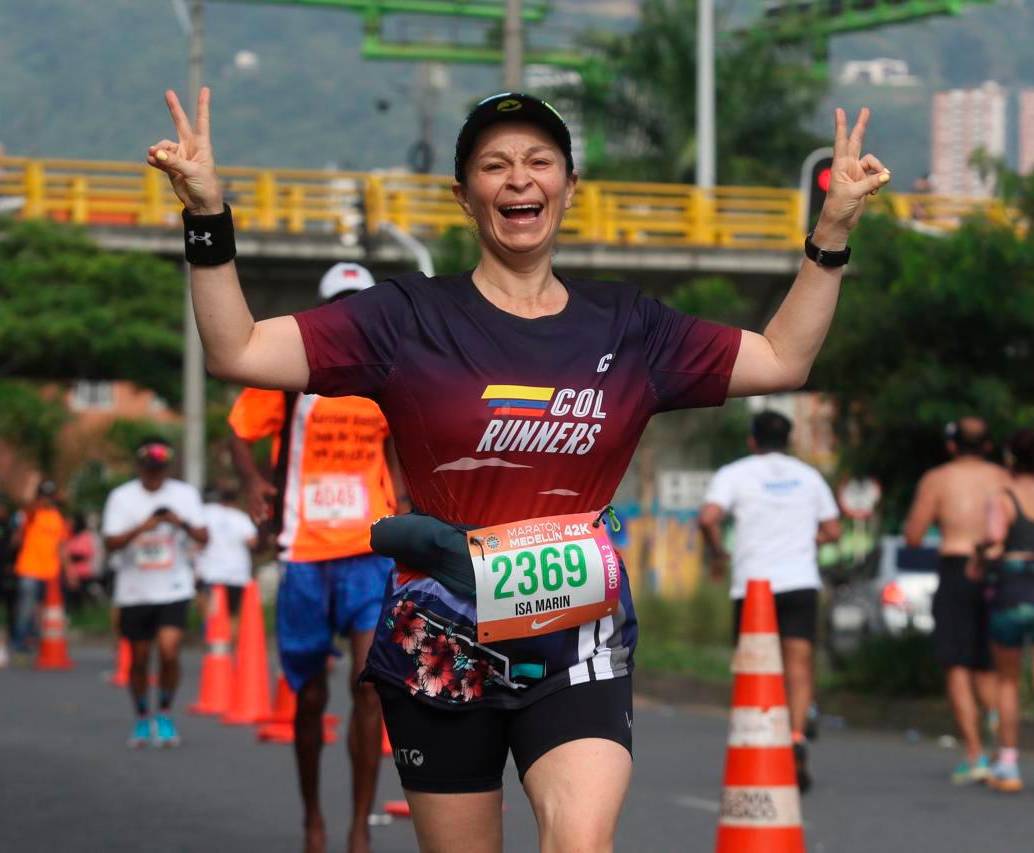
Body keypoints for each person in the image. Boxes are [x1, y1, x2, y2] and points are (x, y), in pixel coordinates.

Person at [148, 84, 888, 852]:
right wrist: (206, 214)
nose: (519, 178)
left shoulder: (630, 326)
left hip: (577, 625)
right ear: (464, 194)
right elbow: (237, 350)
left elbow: (782, 358)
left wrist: (831, 233)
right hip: (444, 629)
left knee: (581, 842)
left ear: (569, 187)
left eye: (539, 161)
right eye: (495, 165)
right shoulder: (404, 318)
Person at [227, 261, 403, 853]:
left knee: (370, 686)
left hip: (368, 550)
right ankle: (312, 817)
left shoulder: (386, 376)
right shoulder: (292, 370)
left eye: (361, 303)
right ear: (327, 309)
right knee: (309, 695)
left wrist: (407, 504)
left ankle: (357, 827)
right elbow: (240, 431)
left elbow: (406, 444)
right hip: (304, 551)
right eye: (342, 303)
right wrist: (253, 486)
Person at [699, 411, 841, 792]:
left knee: (754, 667)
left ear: (752, 440)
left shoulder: (735, 473)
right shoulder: (809, 477)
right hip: (799, 582)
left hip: (753, 586)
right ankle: (795, 736)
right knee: (799, 662)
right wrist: (805, 541)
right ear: (790, 440)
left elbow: (708, 517)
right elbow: (833, 530)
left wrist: (717, 553)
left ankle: (761, 740)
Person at [904, 417, 1008, 783]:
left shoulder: (937, 479)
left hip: (956, 567)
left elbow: (913, 535)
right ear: (988, 445)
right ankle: (1000, 743)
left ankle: (975, 754)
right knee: (990, 664)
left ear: (951, 445)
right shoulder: (1003, 478)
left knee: (957, 664)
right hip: (998, 571)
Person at [101, 437, 208, 748]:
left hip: (174, 586)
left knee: (169, 650)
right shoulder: (122, 498)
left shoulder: (184, 495)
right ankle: (141, 717)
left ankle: (163, 713)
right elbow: (110, 542)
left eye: (160, 470)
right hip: (134, 589)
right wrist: (143, 527)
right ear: (140, 468)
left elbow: (204, 535)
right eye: (149, 470)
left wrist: (180, 522)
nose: (154, 476)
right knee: (139, 657)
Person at [979, 428, 1034, 792]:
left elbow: (994, 545)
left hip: (1013, 591)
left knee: (1008, 682)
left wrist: (978, 555)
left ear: (1010, 458)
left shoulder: (1003, 497)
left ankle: (1009, 763)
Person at [11, 480, 69, 660]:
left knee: (44, 610)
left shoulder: (57, 517)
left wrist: (68, 570)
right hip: (29, 568)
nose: (47, 500)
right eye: (44, 496)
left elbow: (61, 547)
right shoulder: (31, 514)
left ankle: (38, 640)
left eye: (49, 496)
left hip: (51, 571)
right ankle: (19, 641)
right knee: (26, 607)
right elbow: (25, 505)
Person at [194, 486, 258, 638]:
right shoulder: (240, 517)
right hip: (236, 573)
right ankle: (229, 651)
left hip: (209, 573)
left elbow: (196, 539)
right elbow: (252, 542)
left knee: (211, 613)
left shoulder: (203, 514)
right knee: (233, 614)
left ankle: (213, 647)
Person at [63, 513, 104, 614]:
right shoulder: (71, 536)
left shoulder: (85, 536)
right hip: (72, 573)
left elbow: (83, 554)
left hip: (84, 572)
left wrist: (69, 556)